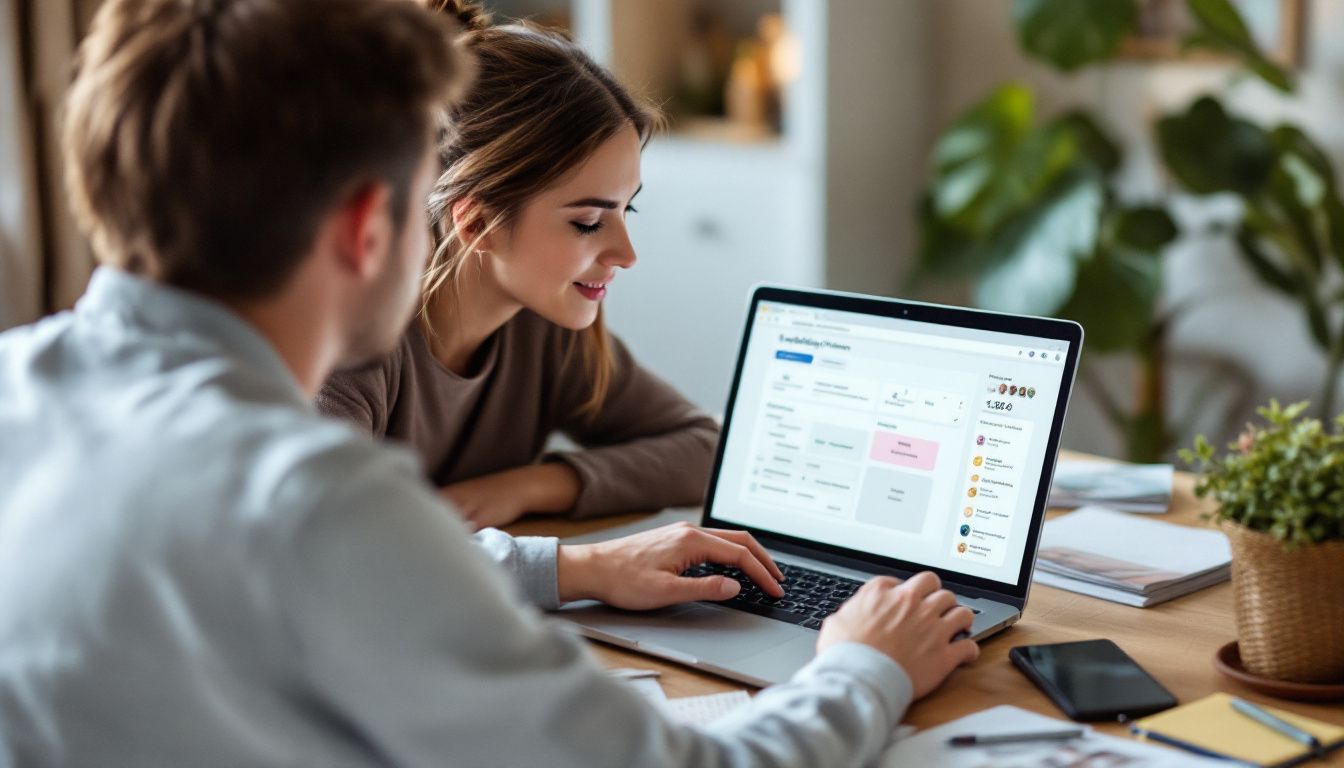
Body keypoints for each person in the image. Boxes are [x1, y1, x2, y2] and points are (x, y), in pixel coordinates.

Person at [0, 0, 979, 765]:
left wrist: (567, 564)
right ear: (366, 224)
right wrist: (864, 665)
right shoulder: (310, 502)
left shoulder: (19, 389)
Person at [317, 1, 717, 531]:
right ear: (478, 222)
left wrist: (532, 486)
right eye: (589, 222)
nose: (627, 254)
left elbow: (707, 449)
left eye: (628, 209)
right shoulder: (355, 345)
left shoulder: (546, 330)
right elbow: (337, 546)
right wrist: (582, 569)